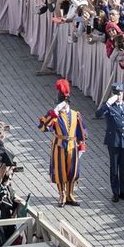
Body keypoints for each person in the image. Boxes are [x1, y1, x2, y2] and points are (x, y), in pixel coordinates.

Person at [37, 78, 87, 206]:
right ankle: (62, 195)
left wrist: (81, 145)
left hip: (72, 146)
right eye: (62, 104)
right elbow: (43, 127)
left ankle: (70, 194)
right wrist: (54, 112)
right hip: (59, 145)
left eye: (65, 104)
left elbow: (81, 131)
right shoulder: (55, 115)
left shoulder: (76, 114)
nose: (64, 106)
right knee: (60, 172)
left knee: (72, 171)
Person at [93, 82, 124, 203]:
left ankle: (123, 192)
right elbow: (97, 114)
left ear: (123, 93)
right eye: (116, 93)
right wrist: (108, 103)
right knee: (114, 168)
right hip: (114, 141)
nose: (118, 95)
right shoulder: (109, 106)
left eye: (120, 93)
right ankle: (115, 193)